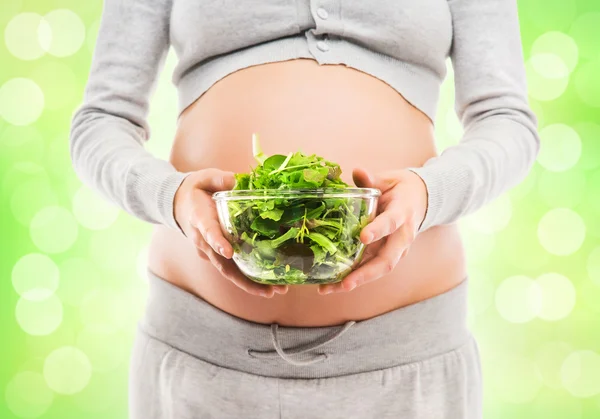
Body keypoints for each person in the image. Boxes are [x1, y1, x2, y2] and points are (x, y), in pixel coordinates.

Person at [69, 0, 540, 417]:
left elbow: (507, 120)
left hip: (402, 362)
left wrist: (429, 192)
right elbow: (101, 122)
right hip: (201, 360)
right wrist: (169, 196)